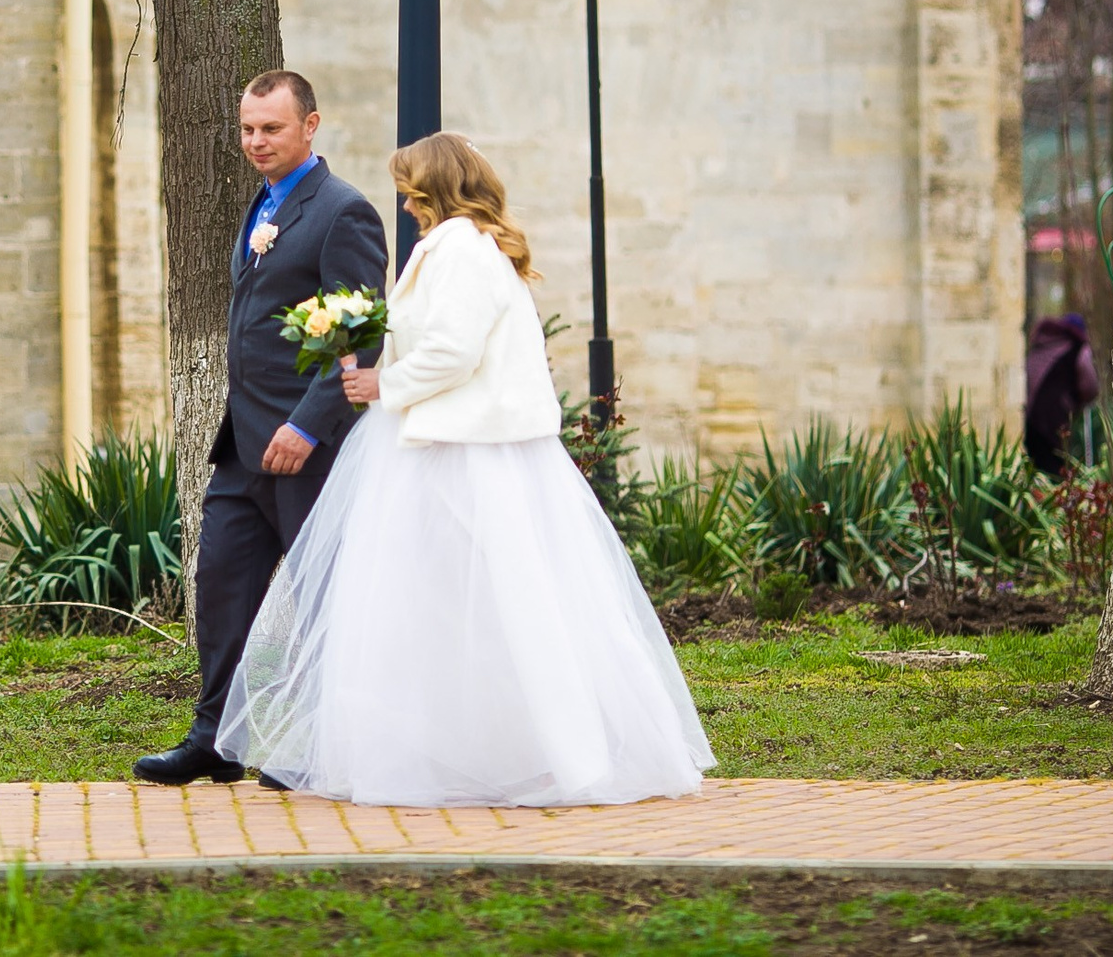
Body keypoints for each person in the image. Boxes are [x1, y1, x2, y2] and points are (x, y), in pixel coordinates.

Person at [216, 132, 714, 806]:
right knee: (453, 611)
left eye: (409, 186)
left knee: (499, 605)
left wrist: (381, 385)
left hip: (465, 454)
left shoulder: (460, 250)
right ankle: (466, 747)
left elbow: (452, 351)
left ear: (432, 187)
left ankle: (556, 753)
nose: (402, 198)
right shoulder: (463, 247)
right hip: (447, 445)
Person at [133, 69, 389, 787]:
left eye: (271, 128)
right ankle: (217, 737)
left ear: (310, 126)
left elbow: (361, 332)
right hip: (242, 448)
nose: (256, 141)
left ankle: (318, 743)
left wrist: (307, 425)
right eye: (247, 128)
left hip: (306, 451)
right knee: (220, 586)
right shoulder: (262, 204)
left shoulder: (343, 212)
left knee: (320, 599)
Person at [1023, 313, 1099, 477]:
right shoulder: (1078, 348)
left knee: (1035, 471)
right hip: (1056, 420)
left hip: (1031, 420)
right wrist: (1078, 401)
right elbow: (1090, 387)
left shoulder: (1040, 346)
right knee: (1055, 470)